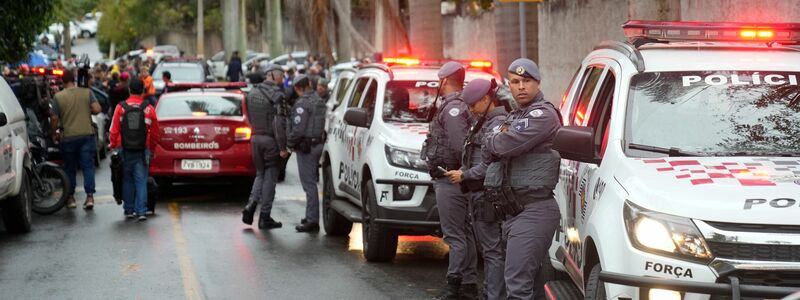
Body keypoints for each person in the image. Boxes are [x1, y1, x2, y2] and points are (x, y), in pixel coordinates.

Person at [483, 58, 562, 299]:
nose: (520, 87)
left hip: (534, 210)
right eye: (515, 81)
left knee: (517, 286)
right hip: (514, 212)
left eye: (526, 81)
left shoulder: (543, 114)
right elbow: (489, 145)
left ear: (537, 82)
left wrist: (497, 137)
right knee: (530, 287)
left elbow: (503, 145)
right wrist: (496, 137)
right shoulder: (517, 114)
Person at [445, 79, 507, 300]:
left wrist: (465, 174)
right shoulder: (484, 121)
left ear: (486, 99)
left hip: (487, 194)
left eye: (473, 104)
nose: (470, 109)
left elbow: (491, 163)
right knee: (489, 250)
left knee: (492, 251)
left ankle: (494, 295)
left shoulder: (497, 123)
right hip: (479, 192)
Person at [422, 62, 478, 299]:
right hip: (455, 178)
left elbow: (458, 146)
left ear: (445, 80)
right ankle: (468, 283)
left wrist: (457, 170)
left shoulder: (453, 108)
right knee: (463, 233)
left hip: (451, 179)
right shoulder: (458, 105)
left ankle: (455, 285)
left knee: (455, 235)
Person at [241, 64, 289, 229]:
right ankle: (265, 216)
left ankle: (251, 205)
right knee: (270, 179)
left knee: (260, 174)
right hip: (270, 141)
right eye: (281, 76)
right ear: (274, 76)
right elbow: (279, 124)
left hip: (255, 139)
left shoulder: (252, 93)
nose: (283, 79)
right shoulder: (278, 96)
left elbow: (248, 114)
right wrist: (283, 147)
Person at [50, 70, 102, 209]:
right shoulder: (87, 92)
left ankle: (71, 198)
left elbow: (54, 118)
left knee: (70, 168)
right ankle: (90, 197)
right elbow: (97, 109)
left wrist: (54, 133)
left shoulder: (58, 97)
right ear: (74, 79)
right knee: (88, 167)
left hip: (68, 137)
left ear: (62, 81)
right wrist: (86, 110)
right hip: (86, 134)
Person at [109, 78, 159, 220]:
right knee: (141, 180)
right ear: (143, 91)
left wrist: (113, 145)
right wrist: (152, 149)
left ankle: (129, 209)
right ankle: (141, 211)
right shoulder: (149, 109)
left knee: (127, 179)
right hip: (143, 149)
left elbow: (113, 130)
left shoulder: (121, 108)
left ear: (129, 90)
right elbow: (156, 133)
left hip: (124, 148)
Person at [287, 75, 327, 233]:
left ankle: (312, 221)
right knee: (312, 182)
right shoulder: (319, 100)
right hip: (318, 144)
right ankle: (310, 215)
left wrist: (288, 143)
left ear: (298, 88)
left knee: (309, 184)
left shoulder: (302, 104)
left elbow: (298, 129)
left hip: (307, 147)